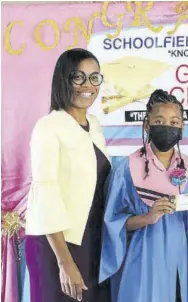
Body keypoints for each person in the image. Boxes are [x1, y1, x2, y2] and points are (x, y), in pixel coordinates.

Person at [99, 89, 188, 302]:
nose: (167, 127)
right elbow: (112, 224)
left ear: (182, 127)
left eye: (174, 122)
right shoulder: (127, 169)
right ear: (146, 125)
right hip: (142, 263)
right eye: (159, 120)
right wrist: (147, 218)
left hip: (181, 263)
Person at [24, 48, 111, 302]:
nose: (88, 85)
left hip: (91, 241)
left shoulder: (94, 125)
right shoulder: (48, 126)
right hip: (57, 245)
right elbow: (46, 193)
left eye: (95, 78)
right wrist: (65, 262)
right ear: (64, 79)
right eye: (79, 77)